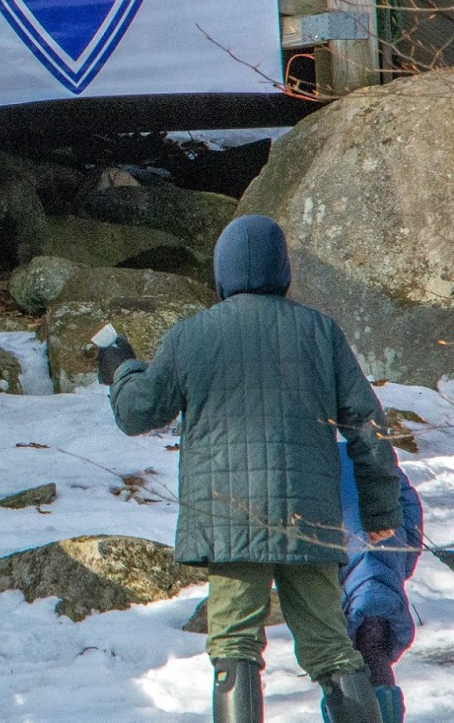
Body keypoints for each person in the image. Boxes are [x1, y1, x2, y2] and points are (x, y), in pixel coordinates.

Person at [103, 214, 403, 723]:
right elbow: (366, 426)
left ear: (221, 275)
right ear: (283, 272)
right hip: (307, 520)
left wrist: (121, 368)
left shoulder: (191, 335)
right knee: (331, 648)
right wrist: (378, 509)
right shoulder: (320, 332)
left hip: (229, 520)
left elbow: (137, 413)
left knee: (234, 647)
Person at [325, 443, 423, 723]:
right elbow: (409, 503)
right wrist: (405, 558)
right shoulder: (373, 448)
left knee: (336, 656)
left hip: (335, 560)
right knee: (374, 647)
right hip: (385, 552)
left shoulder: (311, 452)